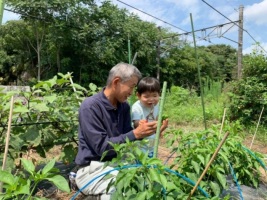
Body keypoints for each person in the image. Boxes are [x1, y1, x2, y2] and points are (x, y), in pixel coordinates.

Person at [74, 63, 158, 198]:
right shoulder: (90, 107)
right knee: (120, 189)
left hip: (117, 165)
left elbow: (127, 138)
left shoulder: (123, 107)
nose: (132, 92)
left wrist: (146, 131)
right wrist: (135, 133)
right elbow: (101, 147)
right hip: (91, 169)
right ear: (116, 82)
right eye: (131, 86)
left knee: (146, 182)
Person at [131, 77, 168, 158]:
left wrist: (162, 128)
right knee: (140, 165)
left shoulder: (157, 106)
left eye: (155, 96)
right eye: (146, 96)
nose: (151, 99)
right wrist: (139, 124)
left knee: (151, 162)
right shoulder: (137, 107)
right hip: (140, 145)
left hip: (151, 144)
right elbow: (136, 125)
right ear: (138, 95)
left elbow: (156, 123)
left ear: (159, 94)